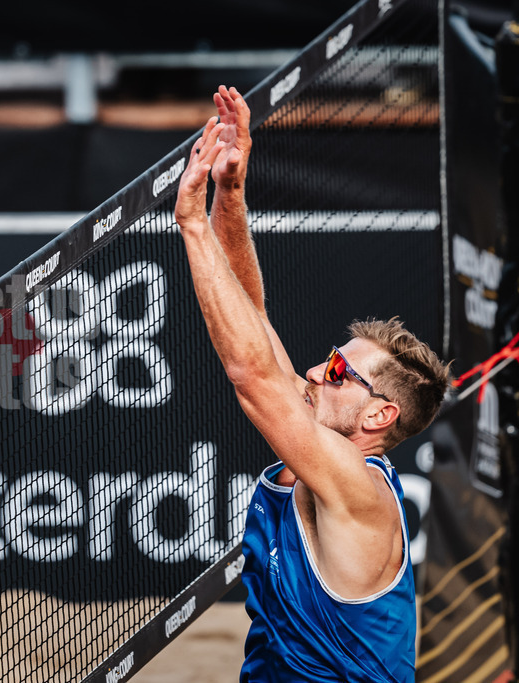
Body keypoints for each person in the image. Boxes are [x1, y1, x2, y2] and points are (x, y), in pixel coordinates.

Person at [174, 86, 451, 681]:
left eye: (336, 373)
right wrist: (230, 192)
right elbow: (249, 317)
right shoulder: (319, 448)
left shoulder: (360, 492)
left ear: (378, 416)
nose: (311, 373)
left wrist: (193, 226)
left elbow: (249, 373)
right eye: (328, 359)